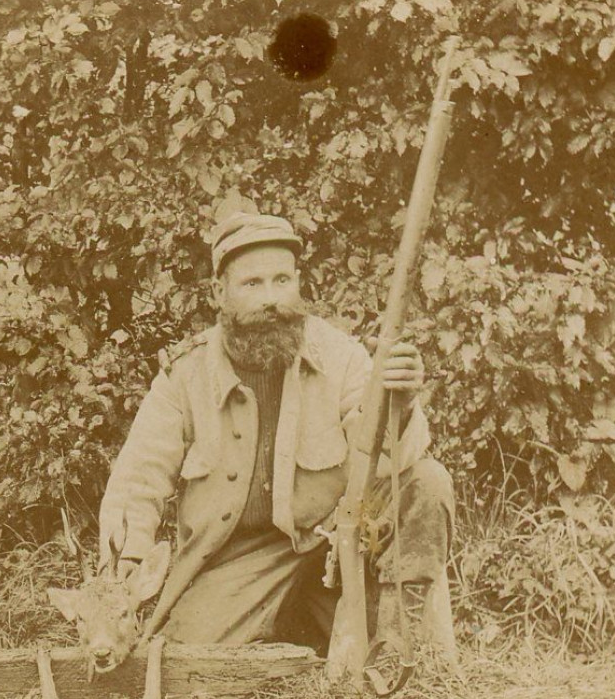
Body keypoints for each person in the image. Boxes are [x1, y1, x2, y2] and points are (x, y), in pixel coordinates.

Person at [98, 210, 455, 655]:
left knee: (427, 480)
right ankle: (291, 628)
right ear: (219, 292)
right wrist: (123, 568)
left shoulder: (339, 355)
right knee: (186, 659)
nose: (271, 299)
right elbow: (140, 479)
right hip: (239, 559)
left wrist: (398, 405)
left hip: (332, 546)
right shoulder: (185, 375)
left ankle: (408, 647)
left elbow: (392, 460)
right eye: (253, 284)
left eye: (282, 281)